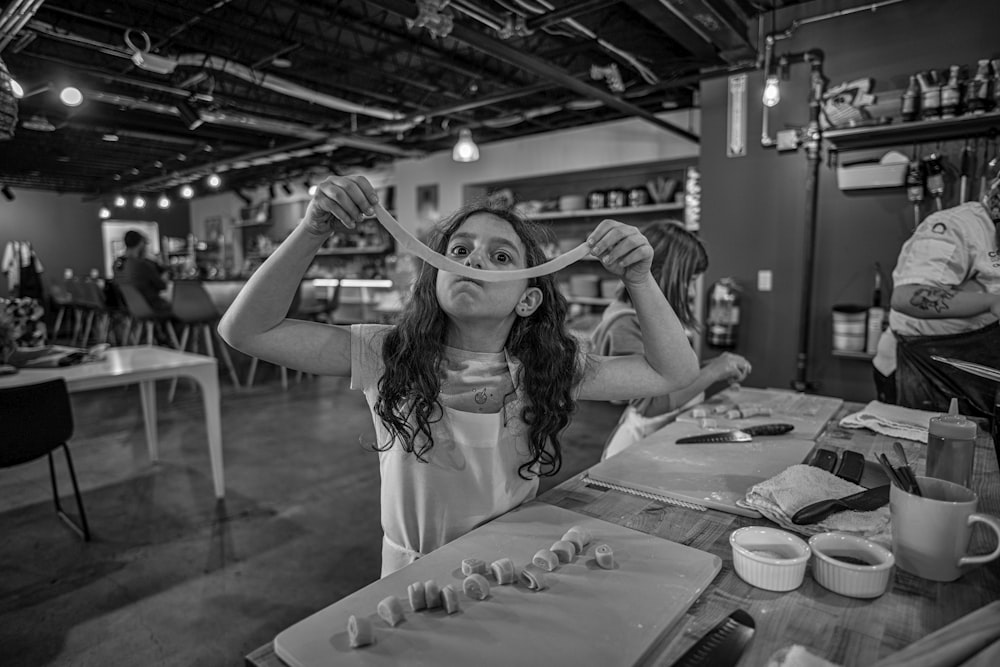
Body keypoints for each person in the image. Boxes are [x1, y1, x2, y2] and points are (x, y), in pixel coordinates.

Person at [218, 175, 699, 577]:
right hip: (408, 574)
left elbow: (672, 371)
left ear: (527, 300)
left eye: (501, 257)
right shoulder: (386, 352)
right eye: (460, 250)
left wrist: (639, 278)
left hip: (513, 570)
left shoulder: (546, 367)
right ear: (437, 273)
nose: (473, 262)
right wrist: (311, 229)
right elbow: (245, 330)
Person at [591, 221, 751, 459]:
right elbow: (652, 405)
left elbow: (675, 375)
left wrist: (716, 366)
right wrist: (714, 371)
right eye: (689, 281)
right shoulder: (623, 324)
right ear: (658, 273)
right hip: (635, 447)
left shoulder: (654, 321)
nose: (693, 293)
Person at [872, 166, 1000, 418]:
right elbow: (907, 296)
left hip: (969, 370)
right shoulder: (956, 227)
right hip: (919, 367)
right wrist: (991, 302)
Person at [113, 230, 172, 315]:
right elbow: (162, 286)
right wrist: (165, 277)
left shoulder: (117, 263)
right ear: (141, 244)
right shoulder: (142, 264)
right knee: (181, 308)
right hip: (151, 306)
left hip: (129, 307)